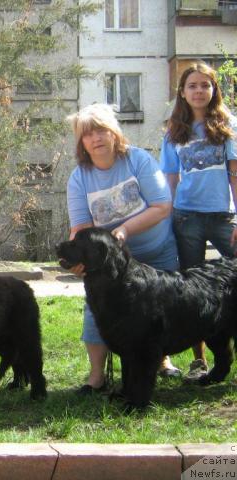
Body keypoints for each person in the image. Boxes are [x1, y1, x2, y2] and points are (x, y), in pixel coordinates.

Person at [65, 103, 180, 395]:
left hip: (155, 249)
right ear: (82, 142)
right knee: (97, 312)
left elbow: (162, 206)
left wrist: (125, 230)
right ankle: (96, 377)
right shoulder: (79, 177)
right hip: (110, 263)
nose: (96, 138)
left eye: (101, 130)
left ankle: (161, 361)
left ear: (114, 133)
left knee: (159, 310)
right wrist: (77, 258)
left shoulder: (138, 160)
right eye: (88, 134)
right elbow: (81, 227)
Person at [160, 62, 237, 382]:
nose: (199, 91)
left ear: (213, 90)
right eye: (192, 85)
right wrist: (168, 219)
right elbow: (170, 180)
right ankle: (200, 360)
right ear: (183, 91)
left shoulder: (228, 124)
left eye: (205, 85)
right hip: (187, 217)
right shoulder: (173, 131)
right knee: (192, 290)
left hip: (222, 216)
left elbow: (235, 174)